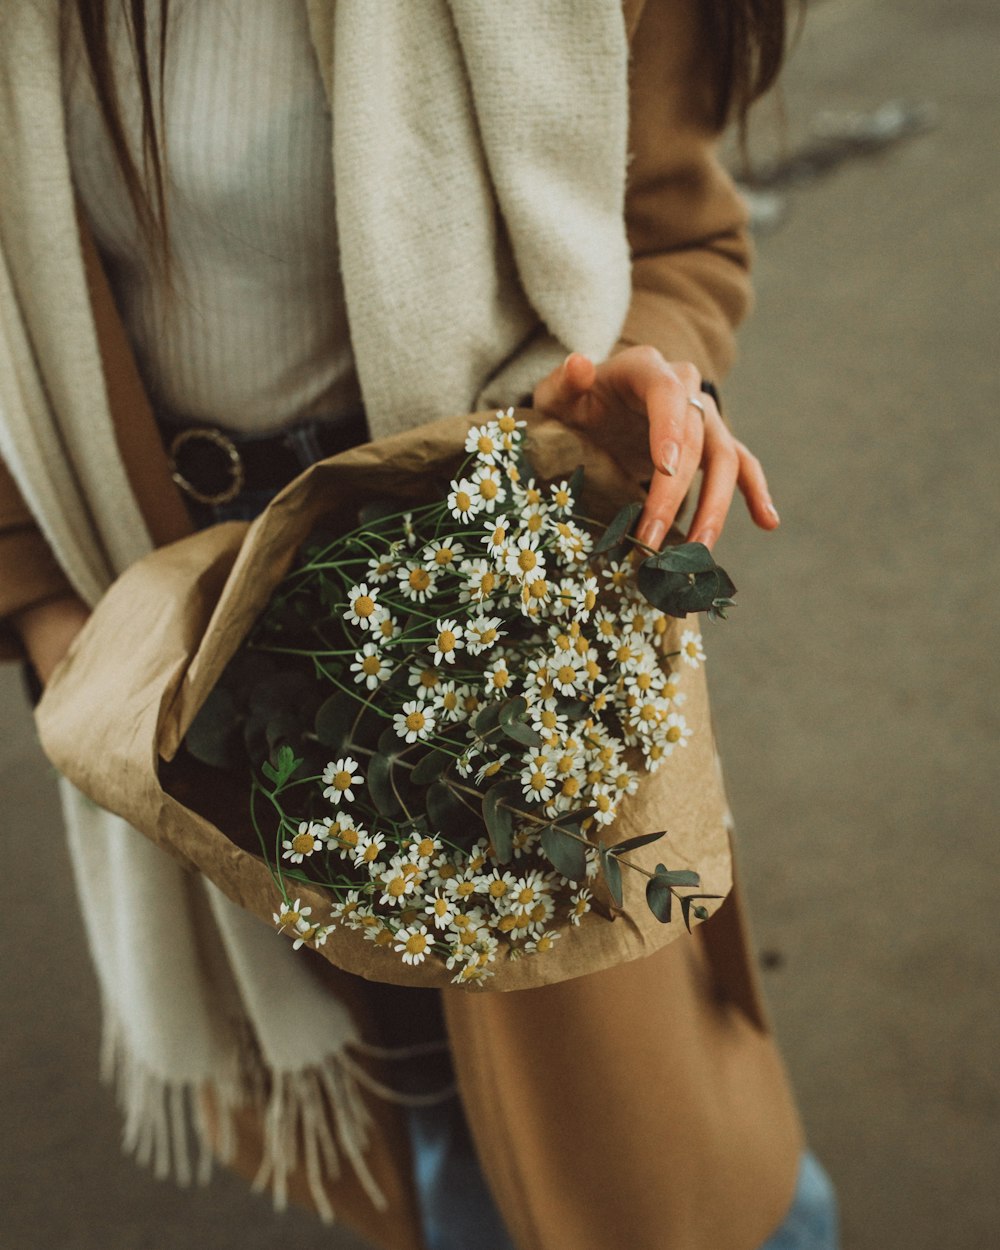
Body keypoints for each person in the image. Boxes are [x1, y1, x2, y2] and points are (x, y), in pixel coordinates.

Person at [0, 1, 838, 1247]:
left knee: (645, 1141)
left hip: (478, 578)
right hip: (181, 628)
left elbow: (676, 229)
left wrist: (650, 374)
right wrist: (52, 616)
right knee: (423, 1110)